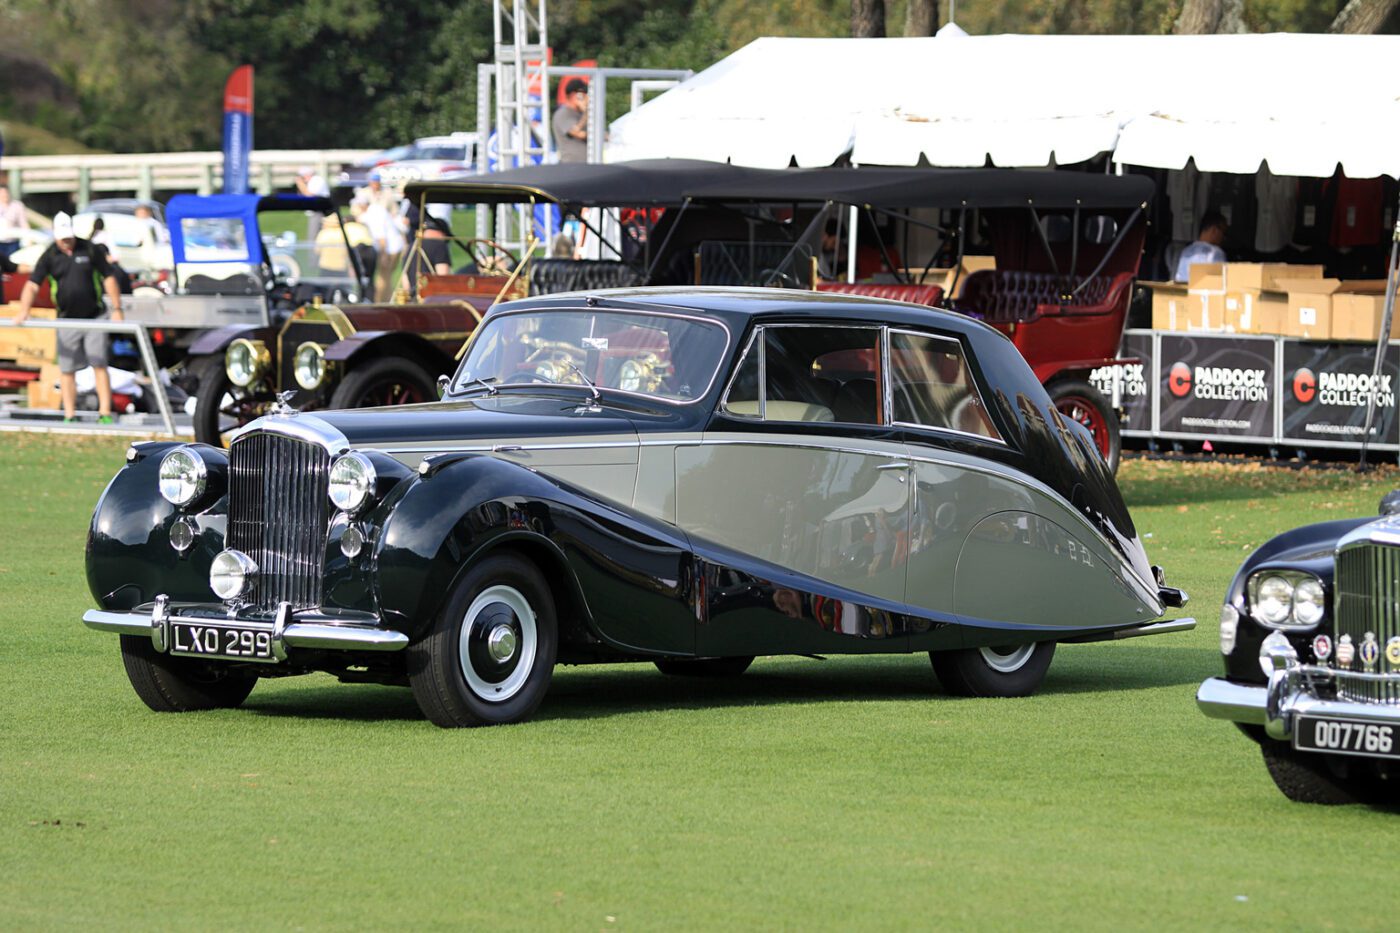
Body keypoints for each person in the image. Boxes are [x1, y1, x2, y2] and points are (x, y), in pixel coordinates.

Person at [13, 212, 123, 423]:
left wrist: (117, 308)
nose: (66, 242)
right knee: (67, 369)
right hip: (66, 319)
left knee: (99, 364)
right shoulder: (50, 255)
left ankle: (105, 412)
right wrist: (23, 309)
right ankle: (70, 414)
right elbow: (33, 284)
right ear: (55, 236)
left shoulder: (90, 249)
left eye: (68, 236)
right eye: (62, 238)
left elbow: (108, 277)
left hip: (94, 317)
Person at [1174, 210, 1228, 283]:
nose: (1223, 238)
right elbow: (1222, 284)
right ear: (1214, 230)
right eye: (1223, 233)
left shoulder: (1185, 251)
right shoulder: (1216, 253)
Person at [552, 79, 590, 164]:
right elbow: (577, 132)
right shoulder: (563, 114)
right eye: (582, 95)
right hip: (570, 167)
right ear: (573, 95)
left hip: (585, 166)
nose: (586, 99)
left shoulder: (582, 114)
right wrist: (586, 113)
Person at [0, 185, 27, 259]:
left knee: (12, 263)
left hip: (13, 242)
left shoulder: (17, 205)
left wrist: (27, 238)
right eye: (1, 193)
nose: (4, 195)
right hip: (0, 241)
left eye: (5, 193)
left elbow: (23, 224)